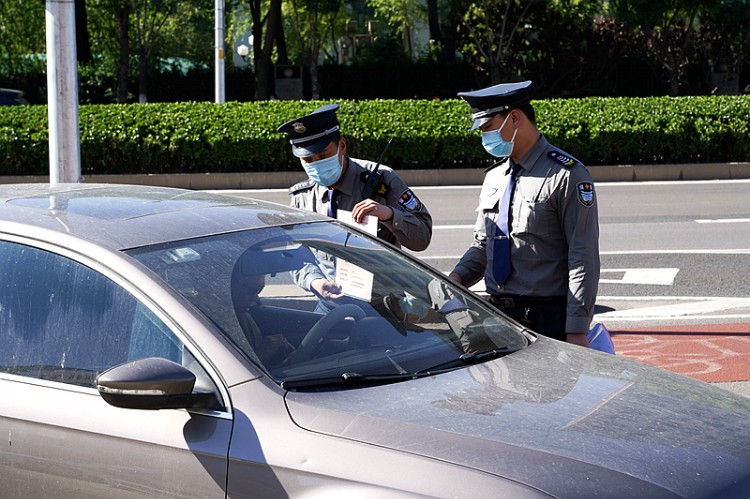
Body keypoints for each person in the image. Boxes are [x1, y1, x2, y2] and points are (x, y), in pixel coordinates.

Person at [448, 81, 600, 348]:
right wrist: (457, 278)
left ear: (514, 118)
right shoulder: (495, 177)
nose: (484, 136)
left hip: (546, 318)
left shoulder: (566, 175)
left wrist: (577, 329)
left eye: (487, 127)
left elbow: (582, 256)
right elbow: (484, 245)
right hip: (497, 316)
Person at [277, 103, 432, 303]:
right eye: (307, 159)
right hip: (330, 303)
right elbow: (297, 256)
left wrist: (388, 214)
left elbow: (422, 239)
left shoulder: (382, 179)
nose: (316, 164)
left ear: (342, 146)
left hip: (383, 305)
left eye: (323, 155)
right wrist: (315, 282)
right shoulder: (303, 196)